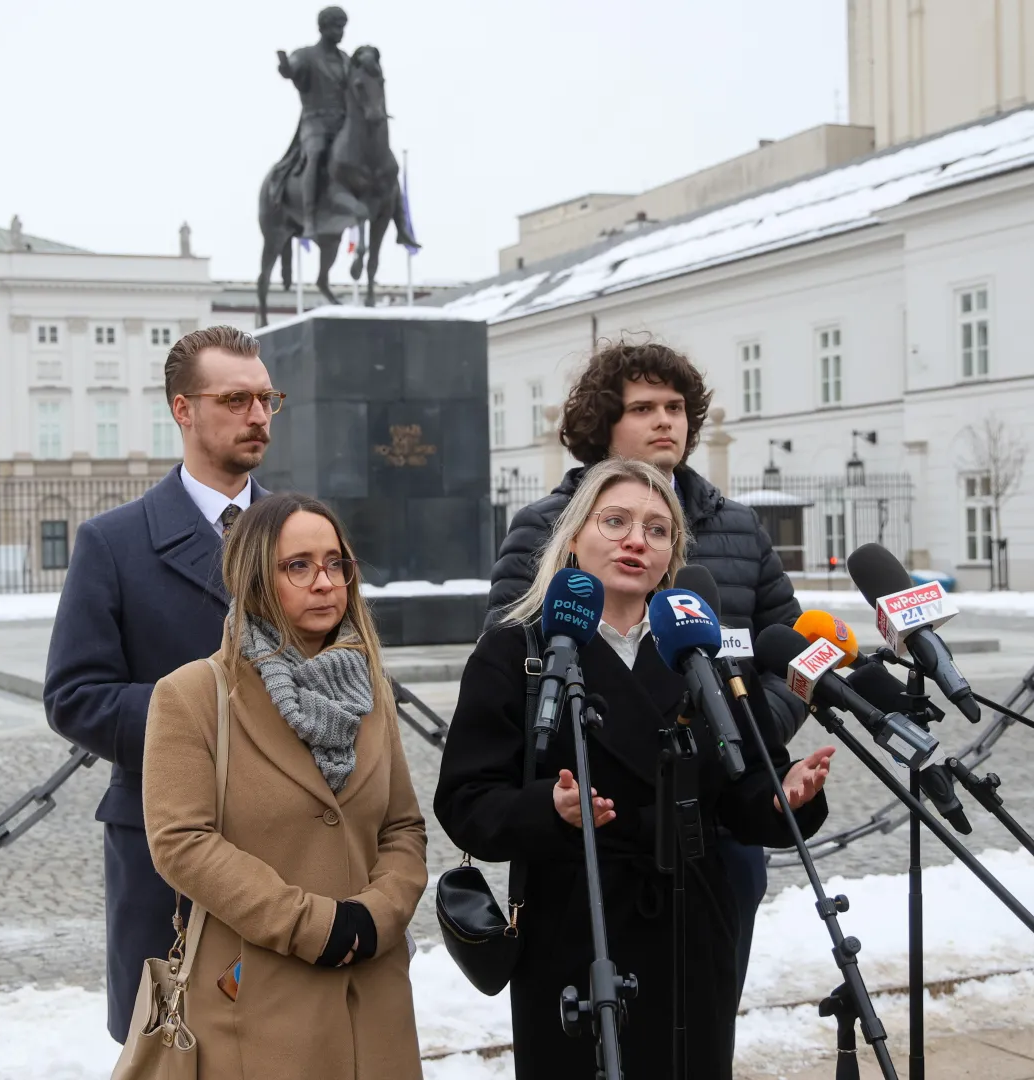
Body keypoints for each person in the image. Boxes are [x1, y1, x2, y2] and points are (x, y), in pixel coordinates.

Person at [437, 458, 833, 1078]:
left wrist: (786, 796)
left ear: (671, 554)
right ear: (574, 538)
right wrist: (549, 808)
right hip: (574, 927)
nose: (635, 541)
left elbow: (745, 784)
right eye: (615, 521)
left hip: (691, 926)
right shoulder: (518, 649)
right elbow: (466, 799)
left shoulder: (701, 648)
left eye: (656, 530)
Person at [481, 336, 802, 995]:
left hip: (718, 822)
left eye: (677, 407)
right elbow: (509, 669)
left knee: (702, 1011)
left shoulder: (739, 528)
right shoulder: (546, 526)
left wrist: (739, 733)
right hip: (589, 830)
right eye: (645, 407)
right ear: (603, 424)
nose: (666, 421)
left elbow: (793, 652)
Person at [43, 325, 283, 1041]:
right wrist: (206, 716)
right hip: (167, 847)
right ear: (183, 410)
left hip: (292, 845)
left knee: (289, 1039)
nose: (258, 415)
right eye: (236, 398)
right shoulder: (113, 543)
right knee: (173, 1047)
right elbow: (74, 696)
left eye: (268, 398)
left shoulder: (301, 533)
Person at [144, 493, 427, 1079]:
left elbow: (402, 826)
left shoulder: (369, 688)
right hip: (255, 999)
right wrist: (311, 925)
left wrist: (380, 913)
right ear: (254, 580)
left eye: (336, 564)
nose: (324, 582)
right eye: (298, 566)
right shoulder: (192, 695)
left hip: (373, 998)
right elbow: (182, 841)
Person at [277, 6, 350, 231]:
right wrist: (287, 68)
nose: (340, 32)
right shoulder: (306, 55)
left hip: (343, 124)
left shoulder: (346, 59)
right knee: (316, 153)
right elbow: (293, 69)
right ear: (324, 27)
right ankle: (309, 217)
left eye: (342, 27)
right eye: (336, 26)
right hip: (315, 122)